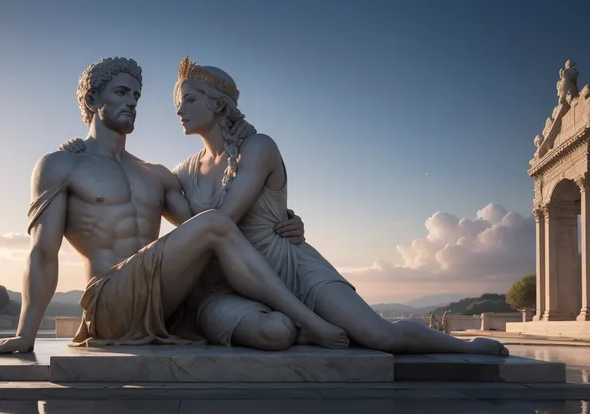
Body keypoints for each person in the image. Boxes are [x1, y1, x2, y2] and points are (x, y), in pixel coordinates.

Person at [64, 56, 508, 356]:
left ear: (218, 104)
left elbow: (225, 220)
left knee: (378, 335)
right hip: (230, 284)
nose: (179, 111)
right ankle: (297, 328)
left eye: (189, 101)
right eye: (177, 105)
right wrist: (85, 152)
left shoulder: (259, 148)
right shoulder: (182, 171)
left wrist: (290, 221)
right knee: (277, 334)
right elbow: (188, 228)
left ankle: (464, 349)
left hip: (288, 263)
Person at [0, 57, 348, 356]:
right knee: (214, 224)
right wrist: (26, 334)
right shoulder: (60, 165)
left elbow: (213, 234)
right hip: (109, 303)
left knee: (276, 332)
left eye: (136, 96)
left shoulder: (156, 175)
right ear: (92, 100)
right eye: (121, 92)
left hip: (167, 306)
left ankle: (296, 322)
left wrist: (283, 219)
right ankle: (311, 322)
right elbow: (43, 253)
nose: (131, 103)